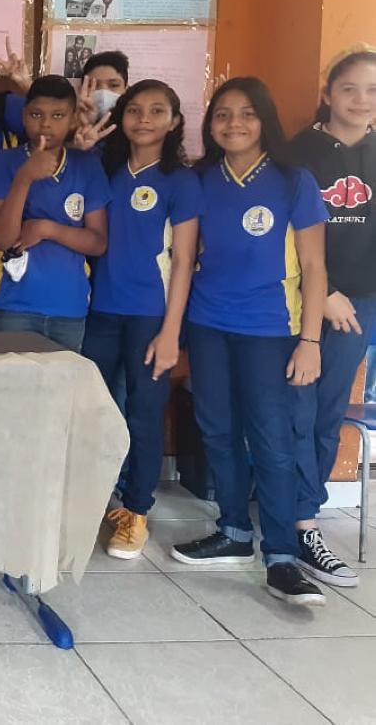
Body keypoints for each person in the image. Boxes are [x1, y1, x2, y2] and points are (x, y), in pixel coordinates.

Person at [172, 77, 329, 608]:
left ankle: (282, 556)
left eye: (246, 114)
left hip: (272, 330)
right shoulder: (199, 179)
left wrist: (310, 340)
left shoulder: (293, 181)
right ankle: (235, 532)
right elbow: (186, 257)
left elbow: (313, 266)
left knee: (272, 440)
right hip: (209, 324)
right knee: (217, 429)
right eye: (221, 114)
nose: (233, 124)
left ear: (265, 120)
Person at [83, 80, 201, 559]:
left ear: (175, 121)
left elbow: (185, 259)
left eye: (157, 111)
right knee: (96, 409)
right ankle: (95, 499)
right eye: (135, 110)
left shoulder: (181, 180)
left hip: (152, 317)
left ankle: (136, 511)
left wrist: (171, 332)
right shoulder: (105, 168)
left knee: (145, 414)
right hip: (100, 310)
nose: (144, 119)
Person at [284, 48, 376, 587]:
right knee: (306, 409)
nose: (361, 100)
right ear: (328, 91)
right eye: (350, 88)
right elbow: (288, 238)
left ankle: (302, 514)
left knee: (324, 411)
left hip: (363, 306)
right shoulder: (301, 154)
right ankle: (299, 521)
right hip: (317, 302)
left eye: (371, 90)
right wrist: (330, 293)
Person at [0, 75, 113, 351]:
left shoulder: (86, 165)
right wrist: (25, 177)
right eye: (36, 114)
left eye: (58, 115)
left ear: (73, 119)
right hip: (14, 305)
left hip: (70, 307)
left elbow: (98, 243)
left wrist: (46, 229)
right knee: (13, 389)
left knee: (62, 393)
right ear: (24, 115)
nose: (46, 124)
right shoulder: (3, 161)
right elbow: (3, 239)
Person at [75, 51, 130, 129]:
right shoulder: (68, 131)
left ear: (126, 89)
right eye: (93, 86)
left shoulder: (134, 130)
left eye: (114, 85)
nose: (103, 93)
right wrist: (84, 127)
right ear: (81, 90)